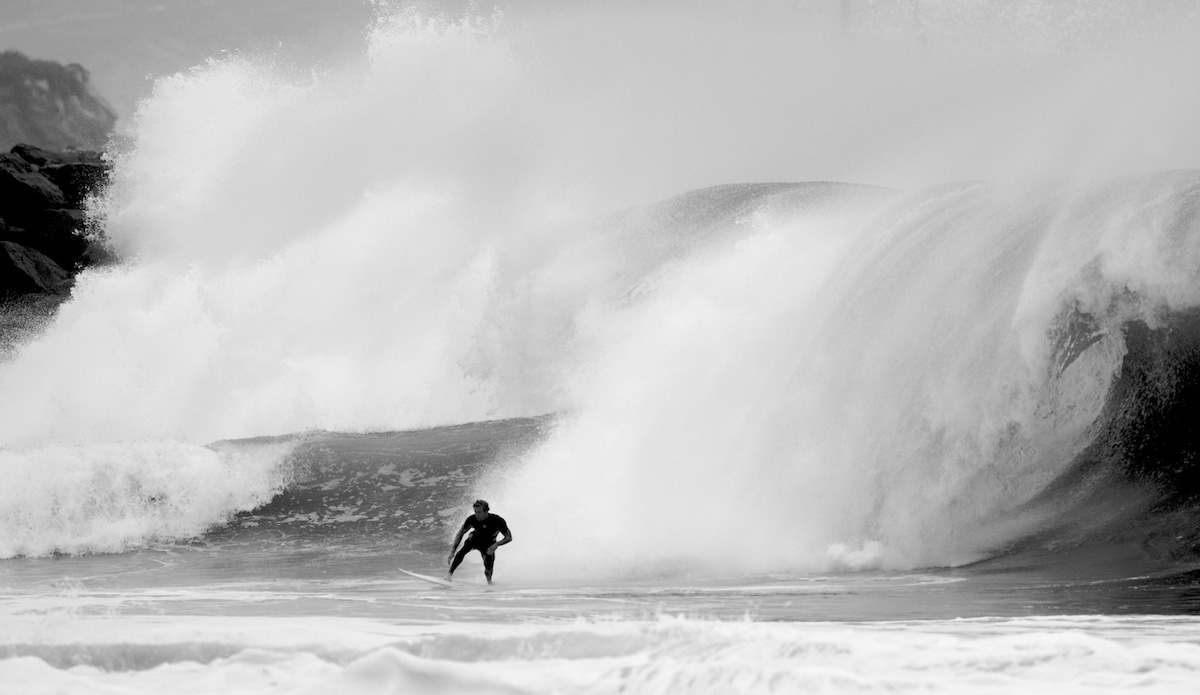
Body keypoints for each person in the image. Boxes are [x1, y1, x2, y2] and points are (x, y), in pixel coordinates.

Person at [447, 499, 512, 584]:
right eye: (475, 512)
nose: (477, 515)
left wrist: (496, 544)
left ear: (486, 511)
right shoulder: (472, 519)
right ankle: (449, 575)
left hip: (489, 544)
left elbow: (508, 537)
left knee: (488, 567)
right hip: (475, 539)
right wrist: (452, 551)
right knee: (461, 552)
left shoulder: (497, 521)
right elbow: (460, 534)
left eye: (479, 512)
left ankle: (489, 583)